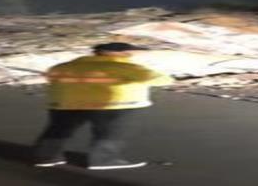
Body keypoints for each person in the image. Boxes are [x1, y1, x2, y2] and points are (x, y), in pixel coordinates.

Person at [31, 42, 173, 170]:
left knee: (58, 130)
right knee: (109, 134)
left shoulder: (62, 66)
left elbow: (51, 78)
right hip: (112, 105)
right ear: (117, 53)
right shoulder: (125, 67)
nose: (131, 54)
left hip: (64, 104)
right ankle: (104, 160)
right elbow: (162, 80)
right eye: (128, 52)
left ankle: (46, 157)